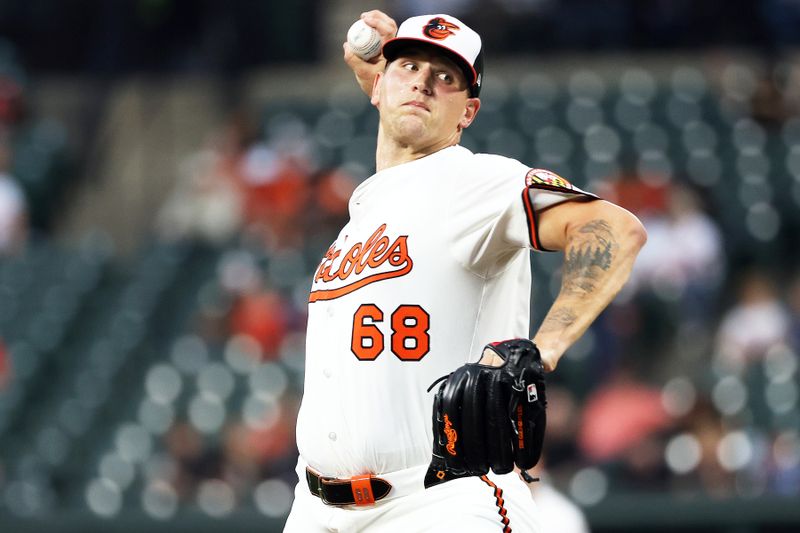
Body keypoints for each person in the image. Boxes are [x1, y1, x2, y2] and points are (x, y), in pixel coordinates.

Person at [284, 10, 646, 532]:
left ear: (468, 113)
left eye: (445, 77)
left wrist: (543, 349)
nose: (423, 83)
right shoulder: (364, 215)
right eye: (410, 67)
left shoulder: (473, 181)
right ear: (378, 85)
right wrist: (384, 85)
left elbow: (614, 228)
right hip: (316, 507)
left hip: (440, 501)